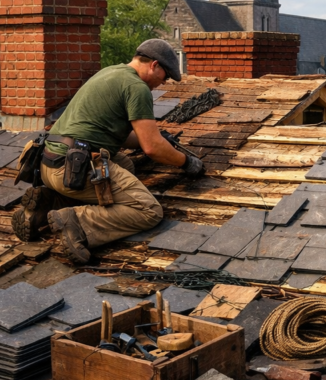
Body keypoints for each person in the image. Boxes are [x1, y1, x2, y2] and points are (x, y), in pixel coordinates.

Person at [12, 39, 204, 263]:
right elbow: (152, 148)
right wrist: (186, 162)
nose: (162, 83)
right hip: (74, 170)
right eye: (165, 76)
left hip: (48, 164)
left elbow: (129, 138)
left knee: (125, 165)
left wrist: (156, 138)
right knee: (149, 210)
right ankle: (77, 222)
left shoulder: (110, 72)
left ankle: (45, 208)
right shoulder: (137, 88)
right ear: (154, 65)